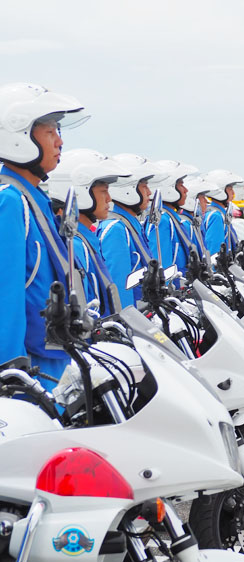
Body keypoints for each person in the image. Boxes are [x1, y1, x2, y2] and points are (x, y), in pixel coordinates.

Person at [0, 83, 89, 388]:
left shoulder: (34, 199)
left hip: (56, 363)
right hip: (30, 374)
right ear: (19, 135)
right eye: (50, 131)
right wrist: (11, 374)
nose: (60, 141)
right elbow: (4, 296)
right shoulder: (9, 201)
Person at [48, 149, 131, 317]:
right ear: (80, 191)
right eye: (103, 191)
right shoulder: (75, 246)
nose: (109, 199)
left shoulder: (84, 241)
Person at [97, 153, 160, 307]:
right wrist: (128, 323)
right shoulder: (116, 229)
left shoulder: (131, 225)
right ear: (128, 188)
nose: (149, 192)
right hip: (137, 317)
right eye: (144, 186)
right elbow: (120, 287)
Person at [147, 160, 198, 273]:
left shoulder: (171, 218)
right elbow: (162, 266)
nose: (186, 190)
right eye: (181, 185)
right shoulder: (163, 220)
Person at [202, 169, 244, 256]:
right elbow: (215, 251)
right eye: (230, 189)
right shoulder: (216, 216)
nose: (233, 193)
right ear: (220, 190)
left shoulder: (220, 214)